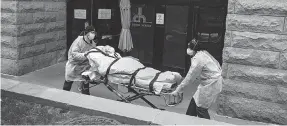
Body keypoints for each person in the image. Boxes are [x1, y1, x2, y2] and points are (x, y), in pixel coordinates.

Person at [170, 39, 223, 119]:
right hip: (210, 83)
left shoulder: (198, 59)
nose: (188, 49)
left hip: (211, 85)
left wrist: (178, 90)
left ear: (193, 49)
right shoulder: (204, 53)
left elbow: (189, 77)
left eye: (189, 48)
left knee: (201, 108)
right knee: (194, 104)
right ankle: (188, 121)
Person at [63, 25, 112, 95]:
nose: (93, 34)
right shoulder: (78, 41)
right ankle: (63, 96)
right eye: (92, 32)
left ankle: (86, 96)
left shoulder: (92, 43)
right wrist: (85, 54)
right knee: (68, 83)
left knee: (86, 82)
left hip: (84, 66)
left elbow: (94, 52)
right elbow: (74, 54)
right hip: (74, 66)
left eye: (94, 32)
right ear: (87, 33)